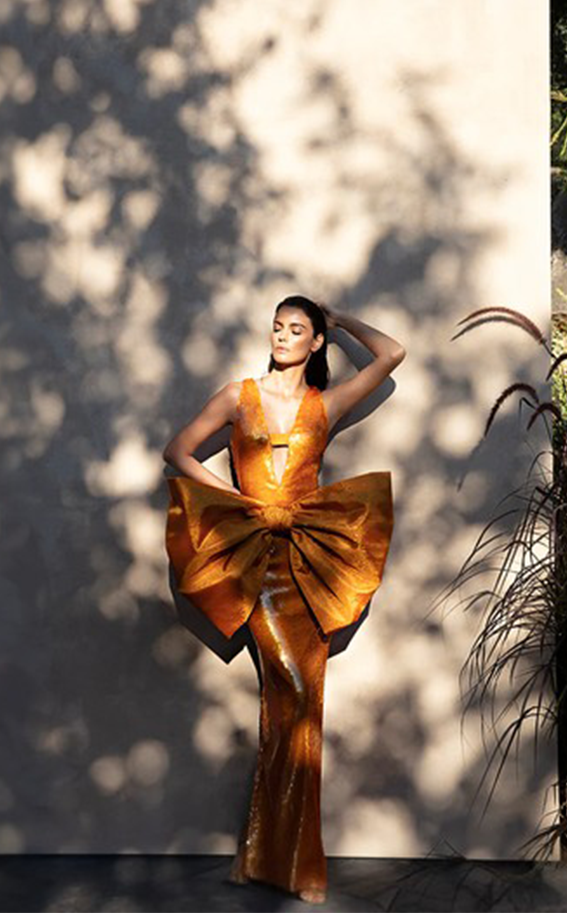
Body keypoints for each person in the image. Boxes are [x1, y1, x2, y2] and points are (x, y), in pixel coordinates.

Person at [163, 296, 405, 904]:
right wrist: (241, 503)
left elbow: (393, 354)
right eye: (278, 326)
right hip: (258, 564)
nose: (283, 335)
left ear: (315, 343)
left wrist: (341, 319)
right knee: (292, 697)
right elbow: (179, 451)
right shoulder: (238, 395)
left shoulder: (326, 404)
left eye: (298, 329)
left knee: (299, 707)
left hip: (308, 565)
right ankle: (282, 859)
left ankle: (275, 859)